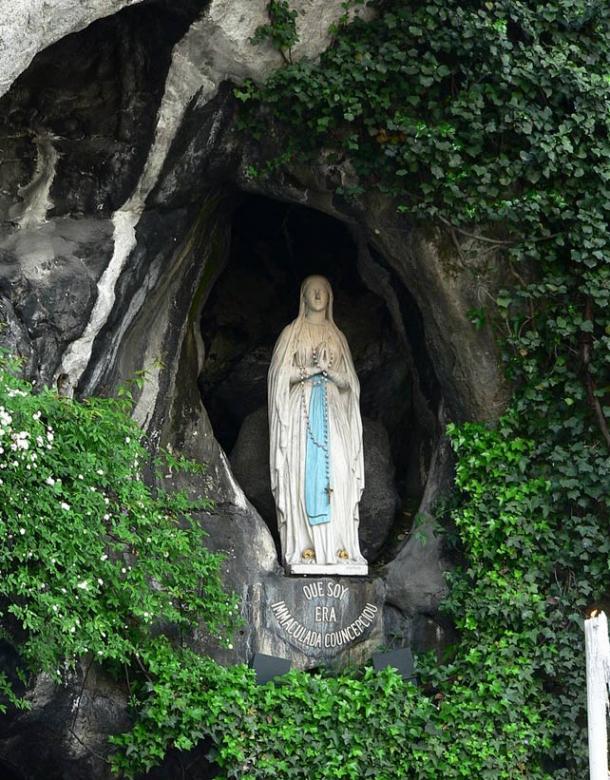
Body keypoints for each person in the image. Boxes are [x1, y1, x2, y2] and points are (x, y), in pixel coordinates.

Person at [268, 275, 366, 571]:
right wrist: (309, 371)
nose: (319, 294)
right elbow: (277, 378)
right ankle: (305, 547)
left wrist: (331, 373)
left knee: (339, 472)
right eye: (313, 290)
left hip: (333, 412)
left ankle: (340, 548)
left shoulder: (338, 337)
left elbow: (352, 383)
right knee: (302, 473)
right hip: (301, 415)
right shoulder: (291, 333)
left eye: (324, 290)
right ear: (303, 297)